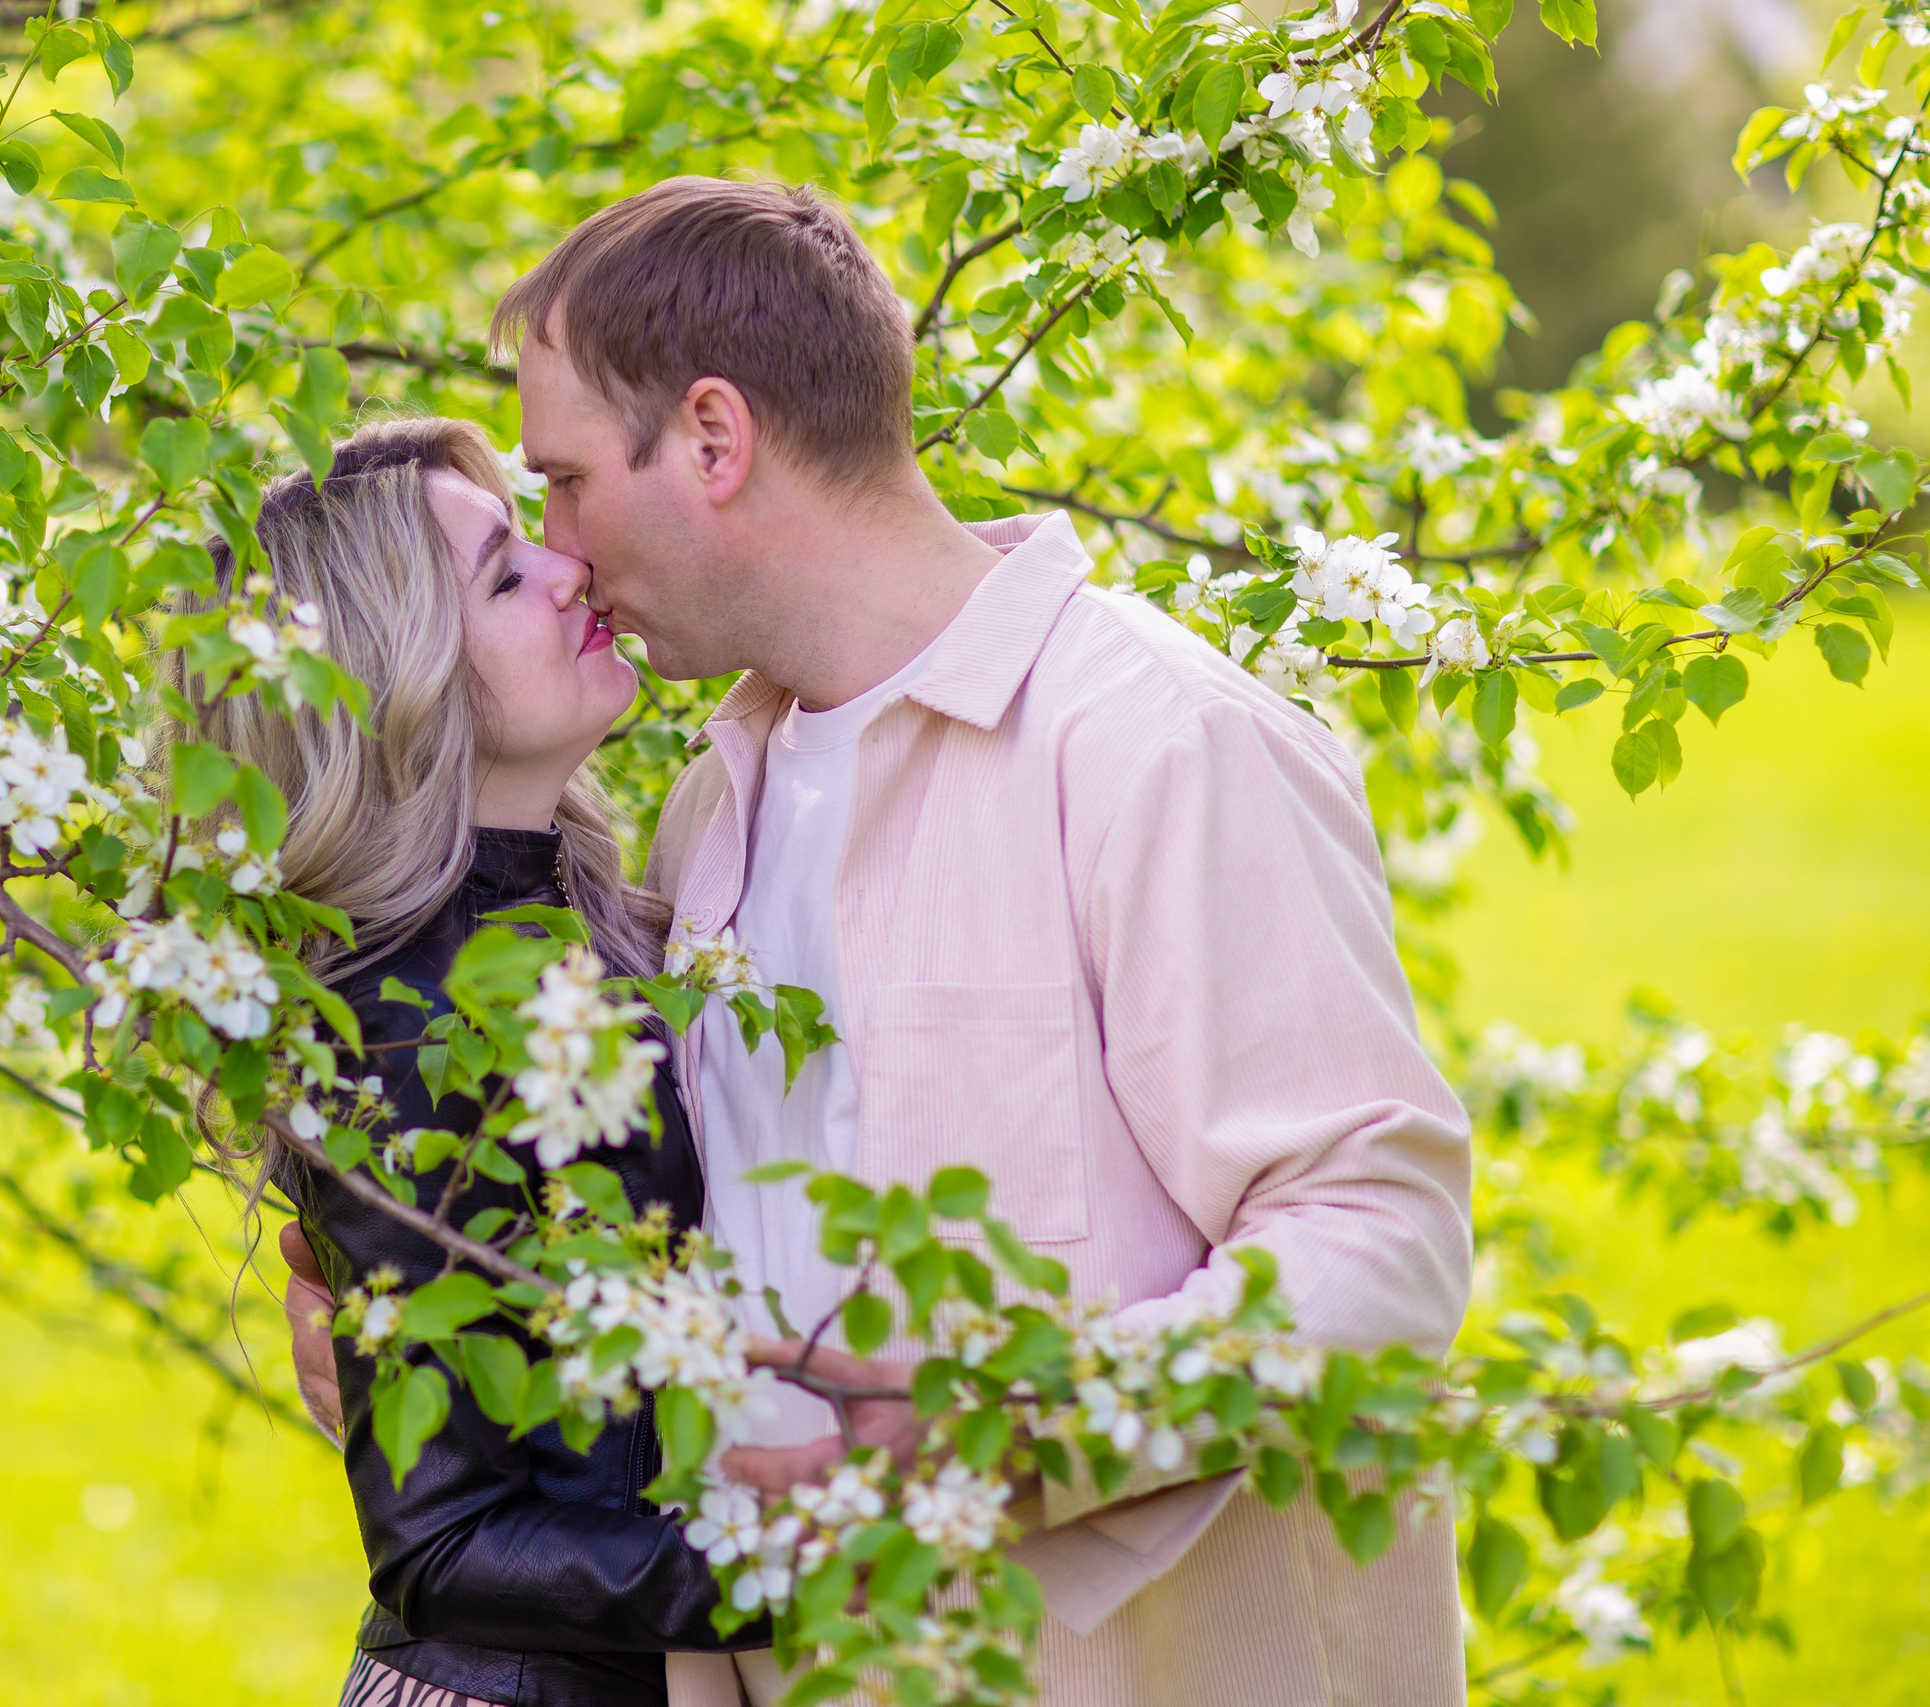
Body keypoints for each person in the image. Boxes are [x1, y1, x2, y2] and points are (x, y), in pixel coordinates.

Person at [489, 178, 1477, 1706]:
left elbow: (1380, 1237)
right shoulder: (712, 811)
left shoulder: (1161, 747)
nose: (554, 544)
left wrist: (1036, 1417)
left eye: (560, 480)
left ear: (710, 438)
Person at [198, 418, 757, 1707]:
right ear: (403, 677)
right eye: (505, 574)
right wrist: (810, 1567)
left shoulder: (580, 916)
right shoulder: (393, 1023)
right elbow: (443, 1544)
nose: (572, 569)